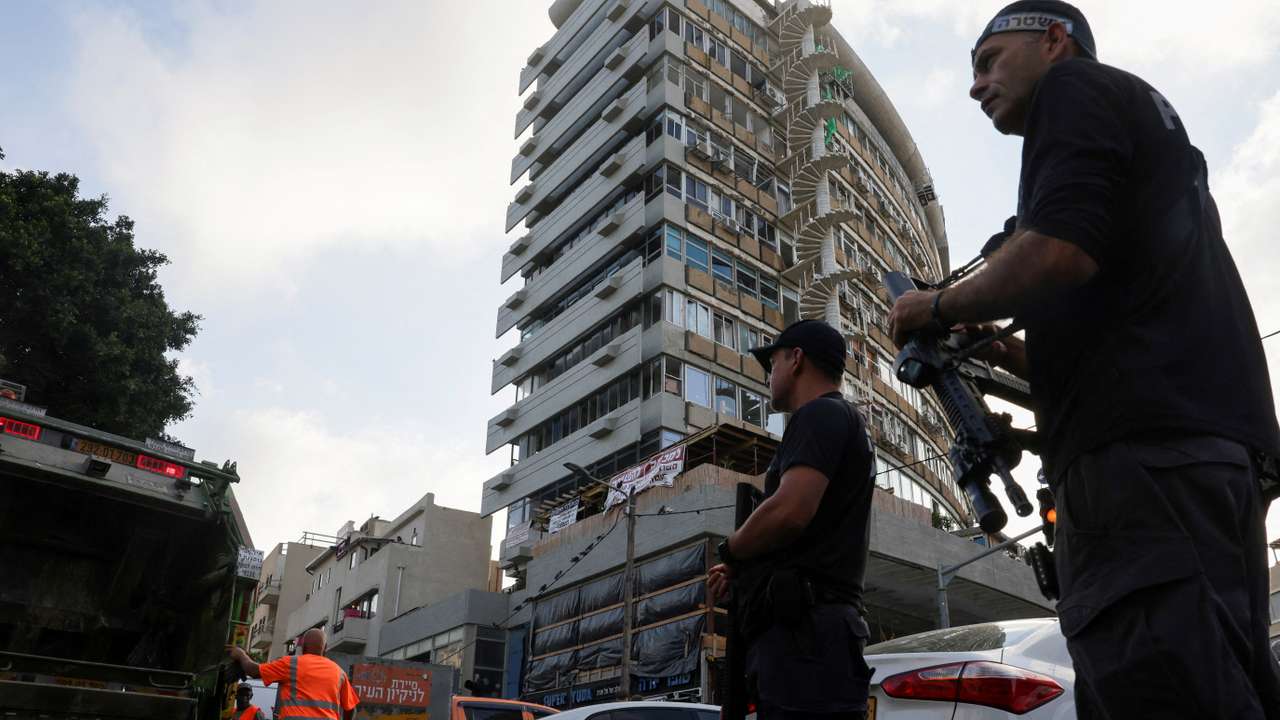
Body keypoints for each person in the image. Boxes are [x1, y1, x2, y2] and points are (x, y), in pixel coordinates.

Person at [888, 1, 1280, 716]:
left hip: (1141, 468)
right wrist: (1004, 347)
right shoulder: (1145, 136)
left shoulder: (1074, 92)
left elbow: (1058, 251)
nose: (976, 87)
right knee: (1220, 683)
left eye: (989, 61)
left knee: (1156, 685)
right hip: (1204, 458)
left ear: (1054, 40)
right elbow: (1114, 317)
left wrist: (934, 308)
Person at [708, 319, 875, 720]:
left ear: (796, 359)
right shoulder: (838, 420)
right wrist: (747, 570)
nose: (770, 375)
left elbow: (789, 511)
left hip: (809, 640)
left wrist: (730, 551)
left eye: (774, 362)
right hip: (814, 636)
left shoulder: (819, 414)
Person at [229, 629, 361, 720]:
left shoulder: (291, 664)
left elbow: (253, 670)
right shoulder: (339, 673)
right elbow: (351, 708)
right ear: (325, 649)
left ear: (303, 648)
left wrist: (241, 655)